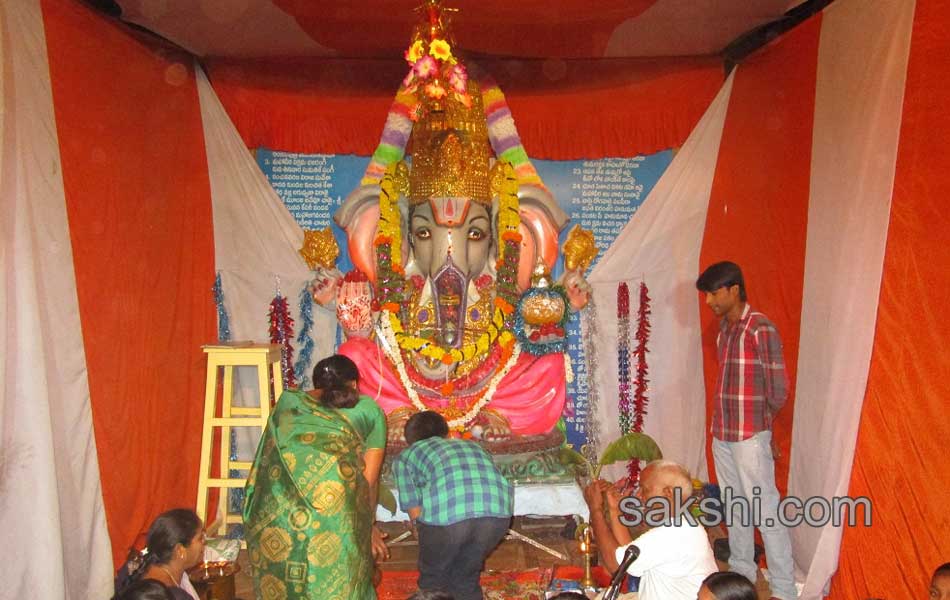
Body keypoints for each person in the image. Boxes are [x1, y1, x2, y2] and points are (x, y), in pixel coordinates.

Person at [243, 354, 388, 600]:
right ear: (354, 384)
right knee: (339, 581)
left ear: (315, 384)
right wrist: (368, 526)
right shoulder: (369, 409)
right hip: (334, 513)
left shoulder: (287, 403)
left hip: (276, 511)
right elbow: (367, 481)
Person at [696, 261, 797, 600]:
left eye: (714, 293)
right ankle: (741, 574)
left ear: (734, 289)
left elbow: (778, 387)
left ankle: (784, 589)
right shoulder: (725, 329)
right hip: (723, 433)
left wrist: (762, 427)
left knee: (764, 509)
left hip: (749, 434)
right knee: (735, 505)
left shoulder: (760, 328)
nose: (709, 301)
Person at [394, 411, 513, 600]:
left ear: (410, 441)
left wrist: (423, 533)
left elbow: (413, 505)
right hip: (497, 513)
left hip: (448, 520)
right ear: (446, 433)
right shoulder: (474, 446)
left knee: (433, 580)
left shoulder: (407, 455)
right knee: (466, 576)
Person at [583, 460, 717, 600]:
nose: (639, 496)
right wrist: (614, 510)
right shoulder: (684, 526)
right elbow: (630, 556)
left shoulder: (673, 534)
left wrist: (595, 509)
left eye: (645, 489)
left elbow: (617, 566)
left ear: (668, 493)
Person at [112, 508, 206, 600]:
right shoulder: (175, 596)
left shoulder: (133, 570)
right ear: (180, 550)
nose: (204, 542)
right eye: (200, 538)